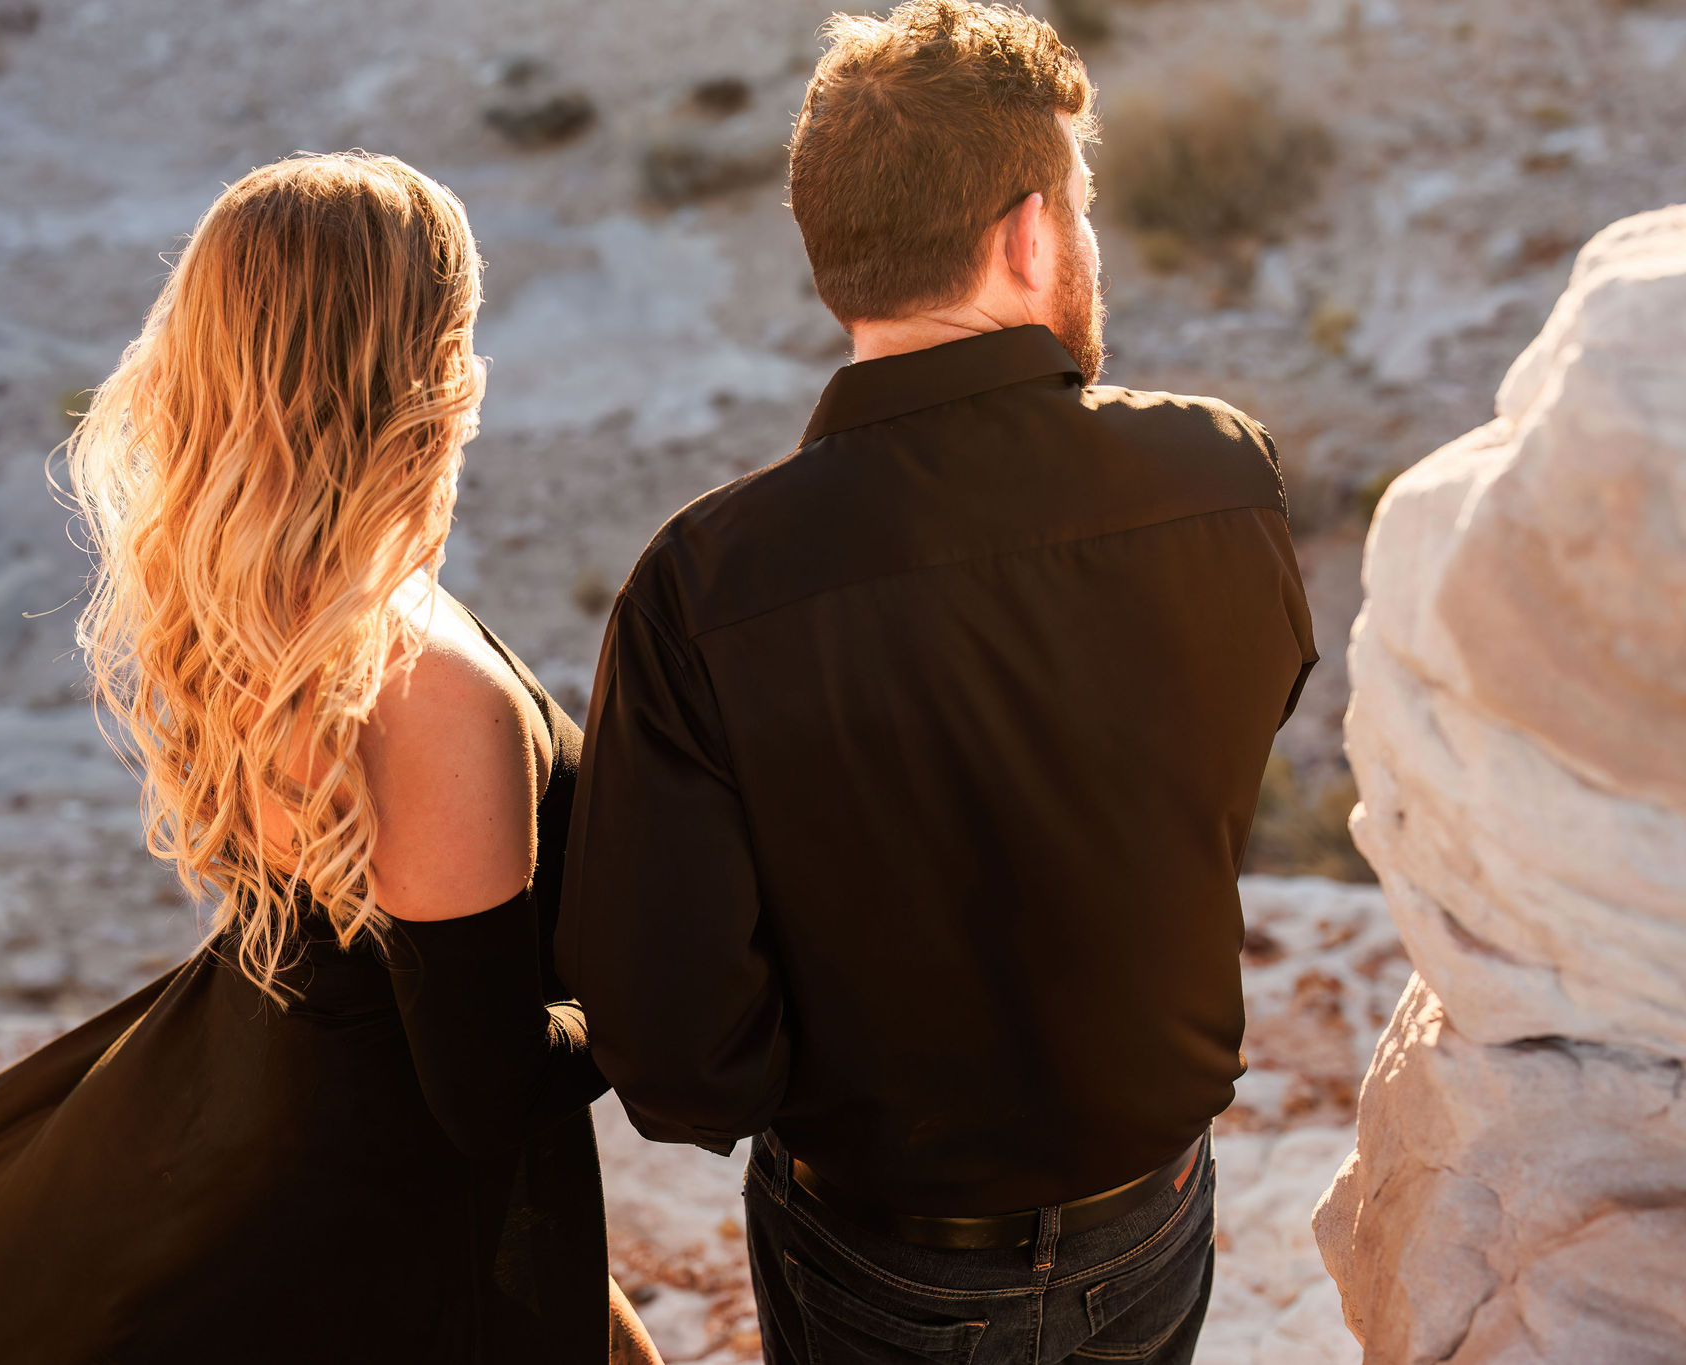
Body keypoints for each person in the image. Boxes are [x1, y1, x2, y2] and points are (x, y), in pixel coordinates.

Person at [556, 5, 1319, 1363]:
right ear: (1030, 233)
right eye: (1079, 206)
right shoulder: (1222, 479)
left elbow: (675, 1056)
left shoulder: (703, 585)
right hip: (1153, 1213)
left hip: (882, 1247)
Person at [0, 153, 660, 1365]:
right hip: (371, 1220)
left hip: (252, 1110)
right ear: (420, 370)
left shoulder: (264, 605)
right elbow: (483, 1094)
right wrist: (659, 998)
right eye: (460, 334)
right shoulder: (420, 687)